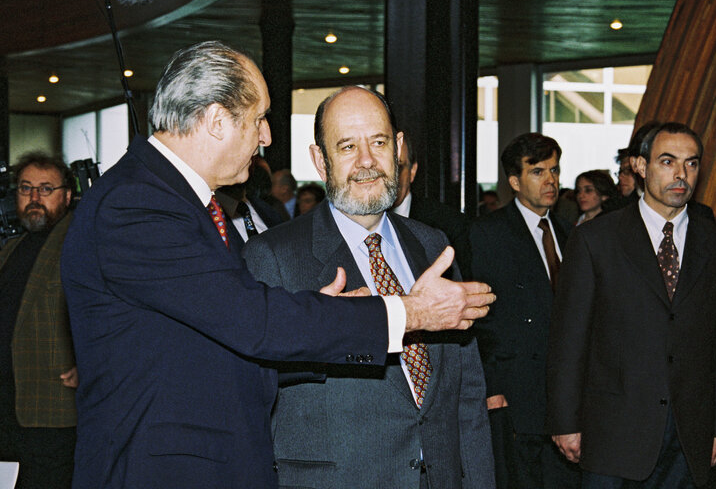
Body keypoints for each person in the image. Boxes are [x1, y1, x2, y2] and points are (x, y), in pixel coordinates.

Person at [60, 41, 494, 489]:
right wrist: (411, 312)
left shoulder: (177, 201)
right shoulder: (138, 204)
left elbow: (222, 345)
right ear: (215, 120)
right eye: (259, 118)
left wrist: (318, 316)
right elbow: (251, 321)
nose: (266, 137)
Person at [243, 86, 494, 489]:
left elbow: (465, 392)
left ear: (397, 148)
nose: (366, 162)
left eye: (378, 142)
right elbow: (250, 385)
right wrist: (323, 330)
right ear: (319, 162)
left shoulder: (432, 245)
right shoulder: (272, 256)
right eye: (346, 147)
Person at [547, 122, 716, 488]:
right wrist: (564, 421)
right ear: (640, 166)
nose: (681, 174)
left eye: (692, 163)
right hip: (611, 432)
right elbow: (569, 338)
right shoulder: (596, 240)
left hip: (690, 436)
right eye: (668, 161)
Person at [470, 133, 579, 489]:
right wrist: (493, 385)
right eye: (537, 172)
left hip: (566, 395)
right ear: (515, 181)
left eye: (554, 170)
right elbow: (479, 317)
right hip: (517, 392)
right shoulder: (488, 233)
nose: (551, 180)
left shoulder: (567, 232)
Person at [0, 153, 77, 488]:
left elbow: (116, 309)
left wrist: (89, 362)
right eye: (26, 188)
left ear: (68, 195)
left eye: (46, 189)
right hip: (9, 407)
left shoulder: (81, 243)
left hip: (51, 407)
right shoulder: (10, 249)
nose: (34, 198)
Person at [391, 134, 472, 278]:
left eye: (398, 167)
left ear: (412, 171)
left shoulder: (449, 225)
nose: (390, 176)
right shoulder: (357, 223)